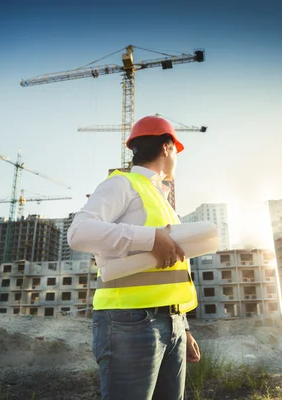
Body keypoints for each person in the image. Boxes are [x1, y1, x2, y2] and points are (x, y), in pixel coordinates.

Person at [67, 115, 201, 400]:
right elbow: (78, 233)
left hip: (171, 321)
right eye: (176, 150)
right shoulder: (122, 184)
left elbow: (168, 270)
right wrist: (150, 238)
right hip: (130, 322)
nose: (177, 158)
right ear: (166, 147)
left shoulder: (161, 200)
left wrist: (182, 327)